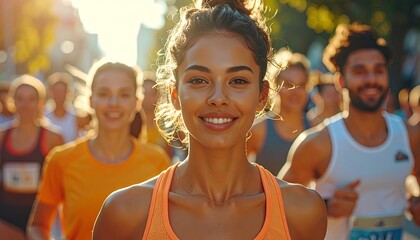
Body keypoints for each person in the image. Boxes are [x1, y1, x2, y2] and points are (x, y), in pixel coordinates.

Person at [92, 1, 327, 239]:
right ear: (175, 95)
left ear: (262, 95)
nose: (218, 98)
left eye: (238, 81)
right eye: (199, 80)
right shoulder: (125, 214)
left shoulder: (302, 212)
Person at [279, 22, 420, 240]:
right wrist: (324, 207)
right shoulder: (317, 144)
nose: (371, 79)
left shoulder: (409, 136)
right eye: (360, 71)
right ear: (341, 80)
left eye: (378, 70)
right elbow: (277, 207)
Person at [27, 60, 171, 240]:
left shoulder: (158, 161)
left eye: (124, 94)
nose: (113, 103)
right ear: (90, 100)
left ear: (136, 102)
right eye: (104, 93)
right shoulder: (61, 160)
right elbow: (38, 226)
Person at [0, 75, 64, 240]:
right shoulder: (2, 136)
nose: (25, 105)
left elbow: (63, 181)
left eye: (31, 99)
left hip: (41, 218)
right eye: (20, 99)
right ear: (12, 101)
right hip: (6, 219)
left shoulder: (53, 138)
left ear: (41, 102)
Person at [246, 49, 312, 175]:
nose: (295, 92)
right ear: (274, 85)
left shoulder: (316, 128)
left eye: (301, 85)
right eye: (288, 84)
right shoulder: (258, 130)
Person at [44, 72, 92, 143]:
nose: (59, 95)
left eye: (62, 92)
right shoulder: (43, 115)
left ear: (68, 93)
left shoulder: (77, 118)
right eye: (57, 92)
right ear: (51, 93)